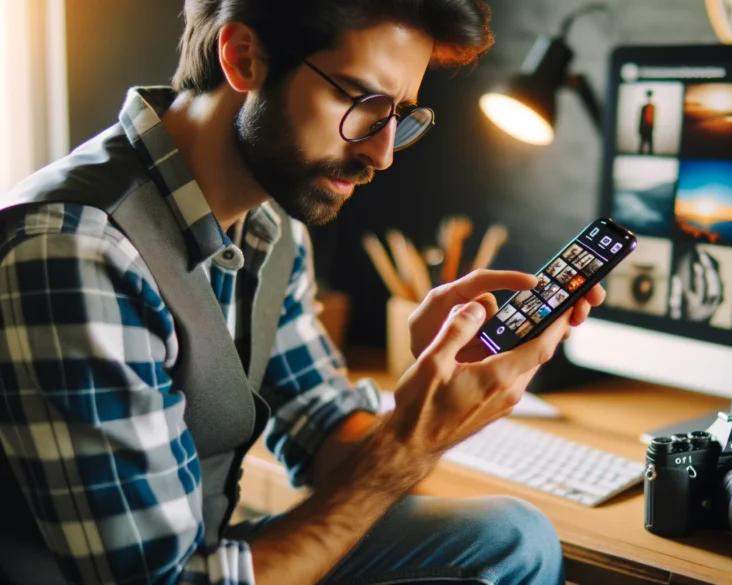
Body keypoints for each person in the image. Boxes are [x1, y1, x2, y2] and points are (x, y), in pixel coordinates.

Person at [0, 2, 606, 584]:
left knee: (511, 537)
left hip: (211, 555)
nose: (382, 152)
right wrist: (407, 446)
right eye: (360, 100)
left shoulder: (270, 225)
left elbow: (323, 432)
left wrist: (431, 394)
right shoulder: (74, 250)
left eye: (399, 114)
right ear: (242, 58)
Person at [637, 89, 656, 154]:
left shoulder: (652, 107)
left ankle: (649, 153)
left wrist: (651, 126)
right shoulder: (644, 107)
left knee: (649, 143)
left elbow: (652, 118)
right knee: (643, 142)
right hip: (645, 127)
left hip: (649, 127)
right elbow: (641, 118)